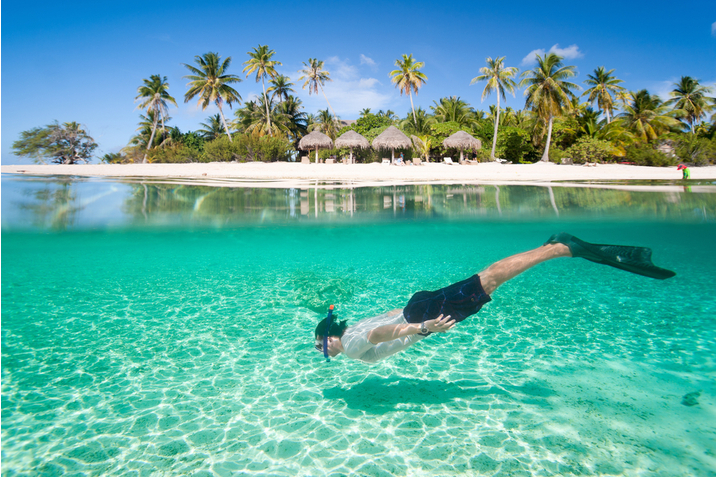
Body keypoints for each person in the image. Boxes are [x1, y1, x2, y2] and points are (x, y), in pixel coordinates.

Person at [314, 233, 675, 363]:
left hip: (421, 315)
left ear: (330, 335)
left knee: (487, 281)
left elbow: (380, 335)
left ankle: (562, 247)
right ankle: (553, 246)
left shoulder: (353, 343)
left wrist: (424, 327)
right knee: (485, 281)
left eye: (321, 345)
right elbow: (385, 318)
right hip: (414, 307)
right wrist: (416, 316)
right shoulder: (351, 330)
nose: (324, 351)